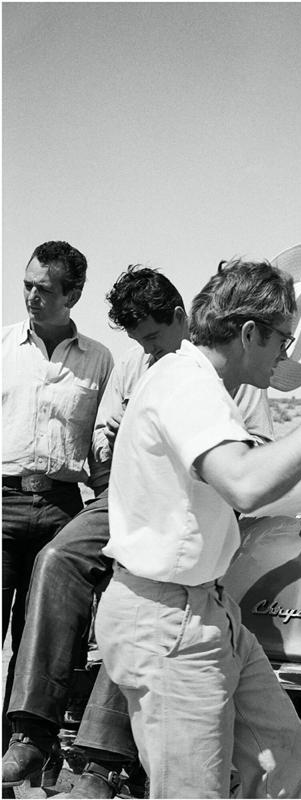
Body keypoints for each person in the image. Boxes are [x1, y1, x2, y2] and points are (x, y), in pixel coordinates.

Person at [93, 258, 301, 799]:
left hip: (204, 609)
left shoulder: (194, 380)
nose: (286, 354)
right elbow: (245, 485)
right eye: (283, 339)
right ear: (249, 332)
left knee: (282, 758)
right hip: (169, 619)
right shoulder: (189, 385)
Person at [1, 266, 273, 795]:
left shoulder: (227, 370)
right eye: (138, 341)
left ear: (180, 319)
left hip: (192, 502)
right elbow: (106, 432)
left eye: (153, 337)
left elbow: (254, 456)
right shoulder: (132, 363)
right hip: (127, 495)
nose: (148, 349)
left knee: (143, 588)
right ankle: (32, 731)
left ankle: (101, 759)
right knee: (57, 559)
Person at [2, 241, 113, 749]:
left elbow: (103, 445)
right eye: (27, 283)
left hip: (64, 510)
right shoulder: (2, 347)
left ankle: (23, 756)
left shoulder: (100, 361)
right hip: (1, 503)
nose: (30, 295)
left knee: (41, 646)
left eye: (43, 289)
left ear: (73, 294)